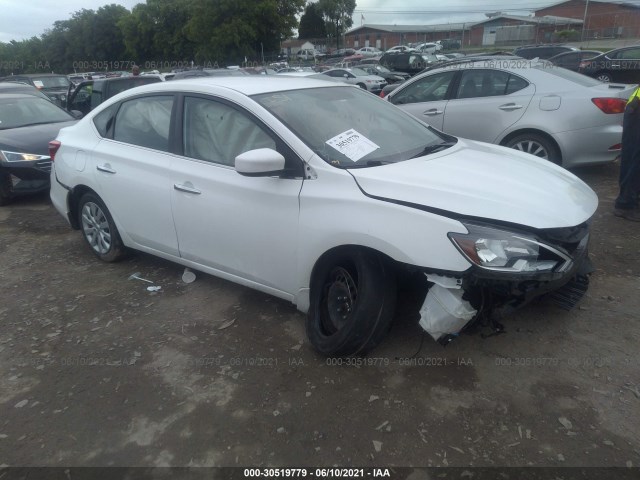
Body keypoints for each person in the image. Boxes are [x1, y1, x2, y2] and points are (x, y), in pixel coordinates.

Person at [614, 85, 640, 221]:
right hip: (637, 109)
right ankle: (626, 205)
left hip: (635, 106)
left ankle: (629, 201)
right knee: (635, 160)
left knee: (633, 157)